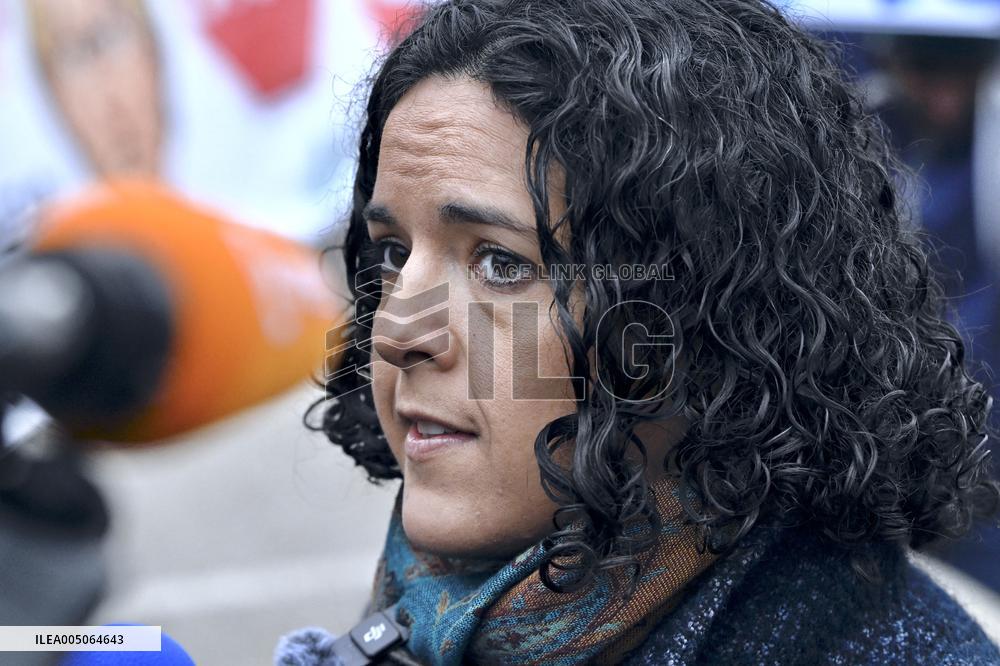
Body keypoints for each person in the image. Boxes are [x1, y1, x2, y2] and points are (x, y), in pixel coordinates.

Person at [283, 0, 1000, 663]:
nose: (398, 332)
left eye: (500, 263)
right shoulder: (450, 598)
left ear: (711, 313)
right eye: (392, 254)